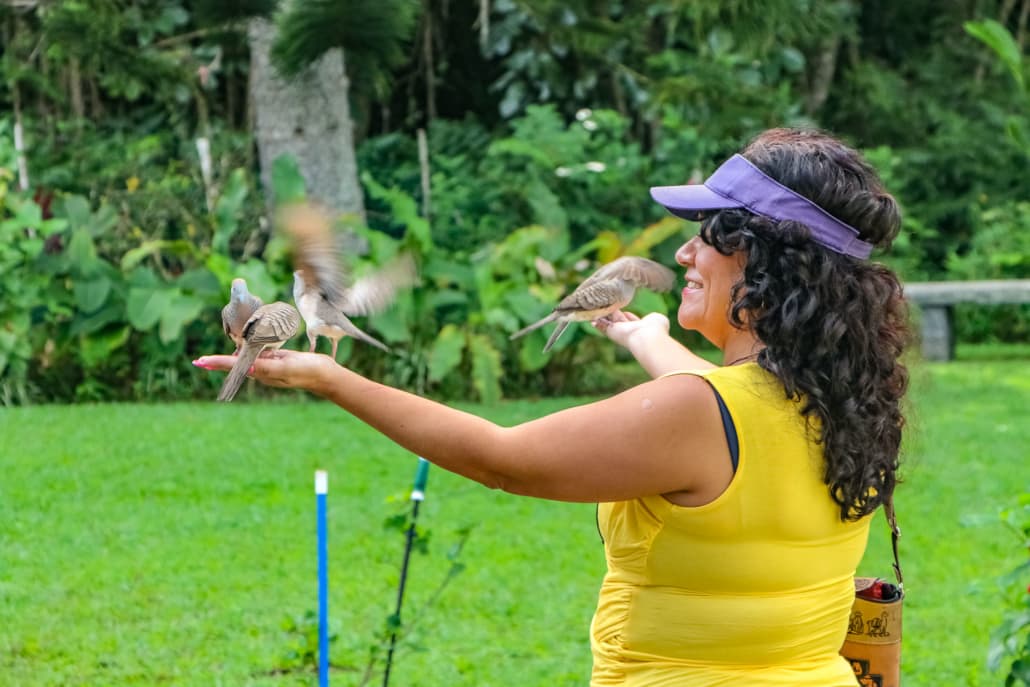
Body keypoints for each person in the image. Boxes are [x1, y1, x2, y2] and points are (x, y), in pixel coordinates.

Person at [194, 127, 910, 686]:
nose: (688, 254)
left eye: (710, 236)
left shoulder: (694, 412)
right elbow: (726, 410)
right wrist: (647, 336)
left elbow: (502, 458)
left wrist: (330, 378)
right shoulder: (846, 399)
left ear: (764, 262)